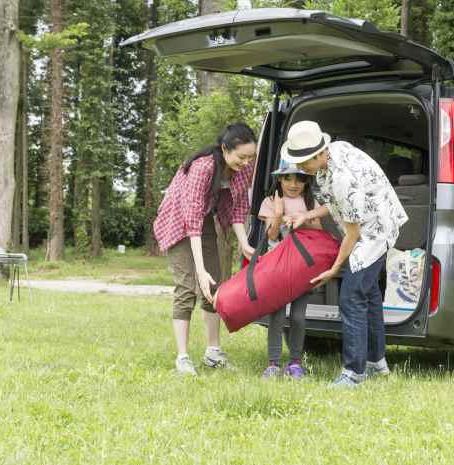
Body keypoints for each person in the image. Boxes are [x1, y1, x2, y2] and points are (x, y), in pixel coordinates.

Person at [281, 120, 408, 388]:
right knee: (370, 293)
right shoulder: (335, 151)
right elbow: (335, 204)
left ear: (319, 153)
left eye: (304, 162)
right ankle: (376, 362)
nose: (300, 168)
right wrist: (307, 215)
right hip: (369, 222)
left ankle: (354, 372)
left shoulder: (342, 178)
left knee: (351, 297)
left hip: (375, 230)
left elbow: (353, 232)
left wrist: (335, 268)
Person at [154, 123, 257, 376]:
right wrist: (199, 269)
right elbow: (191, 219)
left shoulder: (243, 168)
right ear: (225, 149)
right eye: (241, 157)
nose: (246, 162)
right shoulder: (203, 167)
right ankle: (183, 357)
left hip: (204, 220)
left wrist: (244, 243)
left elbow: (239, 208)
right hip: (178, 221)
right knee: (188, 286)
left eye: (250, 157)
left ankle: (213, 353)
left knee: (213, 287)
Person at [257, 160, 322, 380]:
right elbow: (272, 236)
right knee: (276, 316)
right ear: (279, 179)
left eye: (300, 178)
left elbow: (318, 232)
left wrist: (301, 219)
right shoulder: (270, 201)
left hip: (303, 268)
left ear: (306, 181)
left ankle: (295, 363)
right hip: (278, 268)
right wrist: (278, 215)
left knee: (298, 317)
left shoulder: (310, 201)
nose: (294, 184)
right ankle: (273, 363)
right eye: (288, 178)